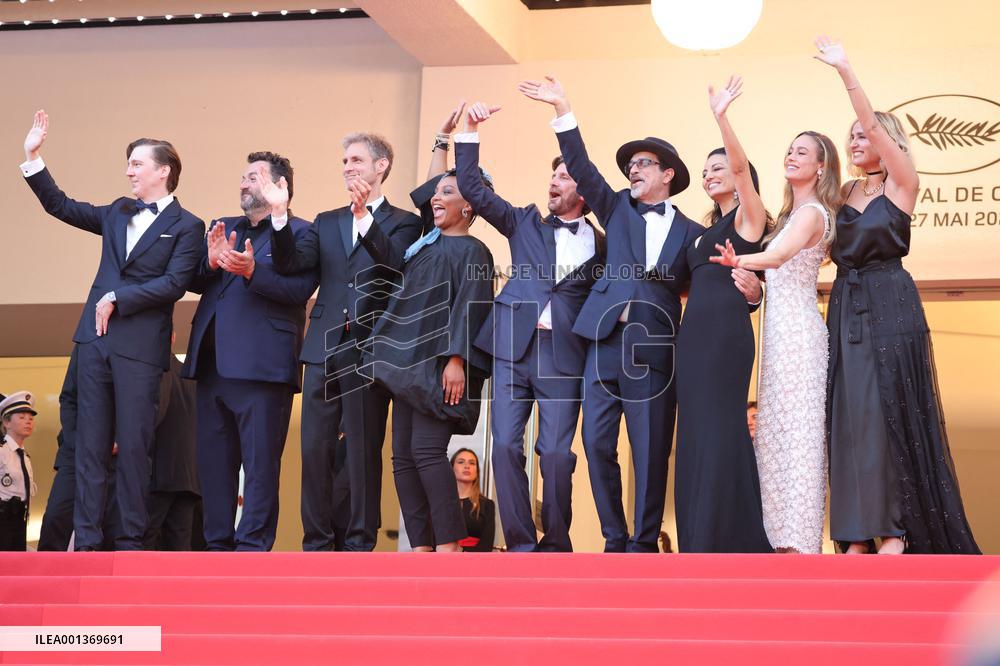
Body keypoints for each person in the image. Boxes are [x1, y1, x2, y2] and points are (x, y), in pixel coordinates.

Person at [518, 76, 761, 553]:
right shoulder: (615, 209)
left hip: (658, 346)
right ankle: (614, 536)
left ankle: (645, 541)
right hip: (604, 339)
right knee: (595, 443)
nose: (633, 170)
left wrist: (752, 297)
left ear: (667, 173)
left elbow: (716, 286)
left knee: (651, 450)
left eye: (643, 163)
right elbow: (584, 168)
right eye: (630, 165)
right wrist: (562, 108)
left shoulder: (693, 232)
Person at [814, 37, 979, 555]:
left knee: (888, 411)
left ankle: (897, 528)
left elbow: (883, 140)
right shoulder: (841, 196)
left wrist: (846, 73)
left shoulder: (902, 183)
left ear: (888, 141)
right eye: (852, 136)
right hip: (844, 306)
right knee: (849, 416)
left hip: (889, 300)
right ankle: (856, 531)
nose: (857, 140)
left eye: (866, 135)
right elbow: (805, 241)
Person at [21, 111, 204, 551]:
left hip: (141, 350)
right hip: (94, 342)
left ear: (164, 170)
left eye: (137, 163)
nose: (128, 171)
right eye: (129, 163)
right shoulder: (118, 211)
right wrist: (32, 158)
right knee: (89, 445)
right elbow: (61, 206)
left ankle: (128, 540)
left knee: (136, 449)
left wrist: (120, 298)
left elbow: (175, 283)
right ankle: (86, 540)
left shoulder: (188, 225)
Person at [454, 101, 606, 553]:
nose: (553, 183)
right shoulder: (523, 222)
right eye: (552, 176)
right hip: (511, 349)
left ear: (584, 189)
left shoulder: (603, 243)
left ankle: (556, 543)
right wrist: (469, 133)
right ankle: (520, 545)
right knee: (503, 447)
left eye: (563, 177)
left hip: (564, 355)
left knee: (557, 456)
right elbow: (472, 190)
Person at [269, 133, 423, 552]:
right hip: (322, 345)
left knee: (361, 447)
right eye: (344, 161)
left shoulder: (406, 221)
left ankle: (358, 540)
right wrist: (280, 217)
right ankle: (316, 540)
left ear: (381, 166)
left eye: (356, 159)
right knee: (314, 449)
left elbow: (395, 266)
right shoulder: (326, 220)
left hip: (369, 348)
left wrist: (365, 219)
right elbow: (290, 264)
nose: (348, 166)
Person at [356, 141, 495, 553]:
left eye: (449, 192)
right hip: (406, 363)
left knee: (428, 451)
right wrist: (440, 140)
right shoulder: (424, 246)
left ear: (469, 206)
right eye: (437, 193)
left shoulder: (473, 251)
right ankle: (421, 547)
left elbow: (472, 306)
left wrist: (457, 359)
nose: (437, 197)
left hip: (438, 366)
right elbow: (429, 191)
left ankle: (449, 545)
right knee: (402, 459)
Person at [712, 126, 842, 554]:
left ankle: (800, 543)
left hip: (800, 336)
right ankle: (776, 540)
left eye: (801, 152)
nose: (791, 156)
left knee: (799, 436)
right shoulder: (788, 216)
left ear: (820, 166)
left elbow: (781, 257)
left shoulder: (814, 213)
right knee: (774, 435)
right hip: (779, 333)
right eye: (789, 150)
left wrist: (739, 259)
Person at [184, 152, 317, 551]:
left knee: (259, 467)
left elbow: (297, 291)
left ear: (280, 187)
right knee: (213, 465)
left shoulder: (304, 232)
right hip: (212, 365)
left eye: (254, 177)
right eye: (242, 176)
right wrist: (209, 262)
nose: (243, 183)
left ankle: (252, 547)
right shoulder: (223, 226)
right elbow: (193, 279)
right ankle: (217, 546)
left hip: (263, 368)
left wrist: (253, 271)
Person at [674, 76, 772, 553]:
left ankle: (727, 538)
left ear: (739, 175)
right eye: (706, 168)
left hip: (725, 340)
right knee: (692, 434)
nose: (712, 173)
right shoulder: (699, 232)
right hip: (691, 344)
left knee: (720, 429)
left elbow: (740, 165)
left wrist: (721, 116)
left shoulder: (748, 218)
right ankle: (696, 537)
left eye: (720, 167)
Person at [145, 344, 200, 551]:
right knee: (179, 548)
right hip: (189, 477)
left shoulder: (156, 368)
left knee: (145, 539)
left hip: (160, 472)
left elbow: (155, 412)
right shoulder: (189, 375)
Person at [37, 347, 79, 551]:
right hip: (76, 452)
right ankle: (44, 577)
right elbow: (68, 399)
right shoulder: (84, 346)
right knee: (56, 516)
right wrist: (78, 442)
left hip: (116, 456)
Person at [0, 392, 37, 551]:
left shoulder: (25, 457)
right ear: (6, 422)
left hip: (20, 522)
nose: (28, 421)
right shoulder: (2, 452)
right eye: (21, 417)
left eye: (30, 418)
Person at [451, 448, 496, 552]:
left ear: (477, 471)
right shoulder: (440, 504)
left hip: (475, 562)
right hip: (441, 561)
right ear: (451, 468)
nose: (467, 466)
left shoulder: (487, 505)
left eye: (472, 463)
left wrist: (461, 551)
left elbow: (486, 545)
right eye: (461, 462)